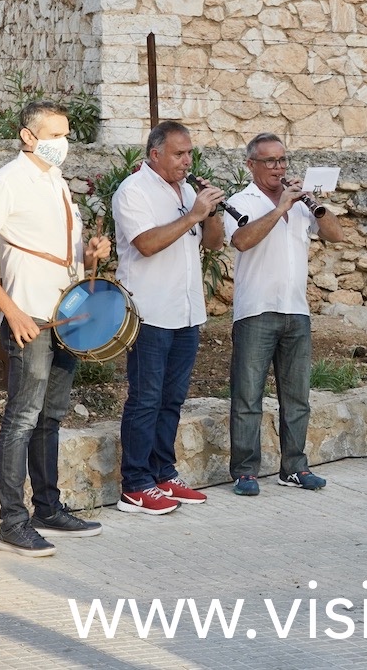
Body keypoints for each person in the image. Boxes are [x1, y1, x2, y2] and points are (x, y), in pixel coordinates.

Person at [0, 100, 111, 557]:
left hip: (66, 315)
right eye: (54, 135)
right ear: (28, 136)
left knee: (50, 417)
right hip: (31, 317)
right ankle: (12, 522)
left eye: (66, 135)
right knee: (22, 419)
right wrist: (12, 310)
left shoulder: (56, 182)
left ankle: (48, 508)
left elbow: (54, 249)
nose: (62, 144)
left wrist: (89, 255)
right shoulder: (8, 182)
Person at [112, 121, 227, 515]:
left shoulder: (189, 191)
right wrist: (194, 214)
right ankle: (135, 484)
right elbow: (146, 244)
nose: (187, 160)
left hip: (186, 310)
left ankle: (163, 474)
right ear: (155, 153)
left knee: (172, 399)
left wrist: (211, 213)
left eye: (190, 153)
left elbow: (213, 244)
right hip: (149, 311)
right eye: (179, 153)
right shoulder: (133, 191)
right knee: (145, 399)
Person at [225, 133, 344, 495]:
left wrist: (314, 204)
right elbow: (242, 240)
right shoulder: (239, 201)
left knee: (297, 397)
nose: (278, 168)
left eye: (282, 160)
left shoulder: (301, 201)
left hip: (296, 310)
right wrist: (280, 209)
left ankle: (294, 467)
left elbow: (336, 235)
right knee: (247, 396)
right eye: (270, 161)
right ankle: (245, 472)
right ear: (251, 165)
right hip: (256, 310)